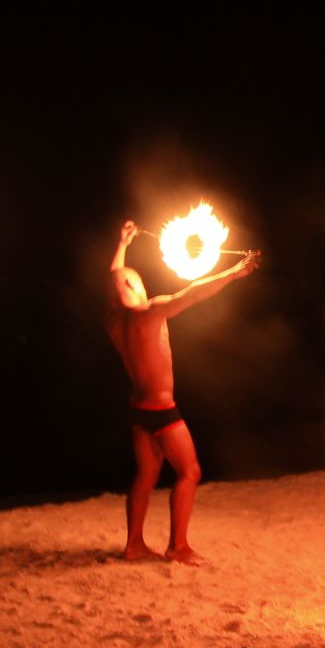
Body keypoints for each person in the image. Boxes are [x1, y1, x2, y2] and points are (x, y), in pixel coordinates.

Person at [106, 221, 262, 565]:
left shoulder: (114, 321)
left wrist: (122, 243)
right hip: (161, 410)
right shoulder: (151, 312)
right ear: (132, 288)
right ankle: (177, 546)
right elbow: (193, 292)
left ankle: (134, 545)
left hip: (138, 411)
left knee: (146, 475)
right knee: (189, 472)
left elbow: (115, 273)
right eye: (133, 281)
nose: (134, 283)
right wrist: (234, 272)